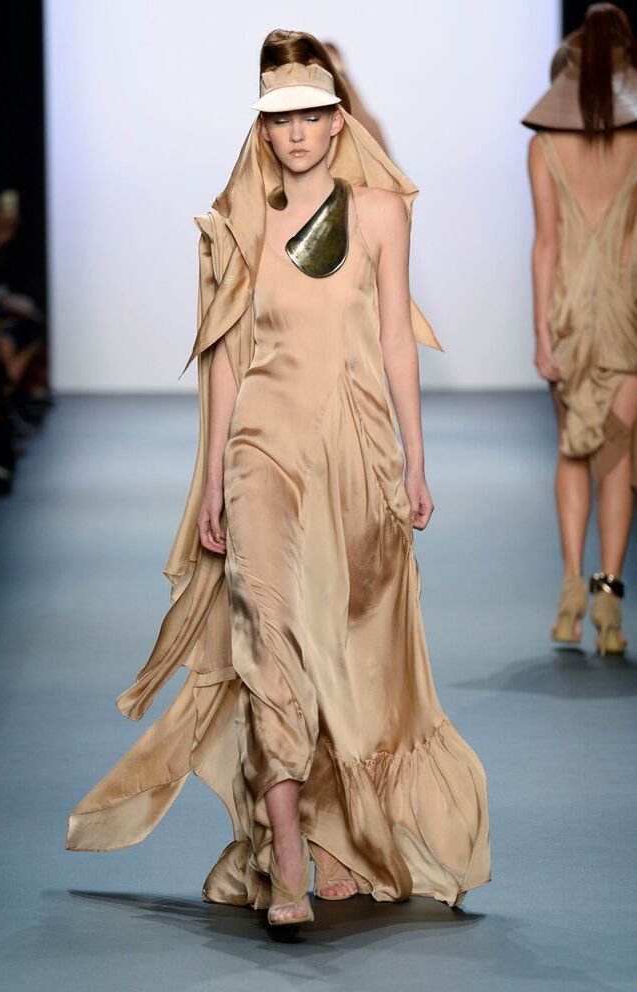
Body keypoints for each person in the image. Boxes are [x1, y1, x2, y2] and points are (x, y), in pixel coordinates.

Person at [67, 29, 490, 927]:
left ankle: (331, 836)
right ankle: (288, 848)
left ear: (338, 121)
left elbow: (395, 344)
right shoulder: (237, 226)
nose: (295, 133)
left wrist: (415, 458)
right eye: (279, 119)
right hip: (262, 450)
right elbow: (226, 362)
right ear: (262, 130)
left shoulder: (381, 214)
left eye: (310, 115)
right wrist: (213, 481)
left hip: (354, 453)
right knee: (268, 635)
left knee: (340, 649)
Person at [523, 4, 637, 657]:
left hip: (567, 312)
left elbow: (547, 243)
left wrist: (542, 334)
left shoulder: (544, 146)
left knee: (572, 450)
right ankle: (609, 605)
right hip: (625, 315)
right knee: (615, 458)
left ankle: (569, 596)